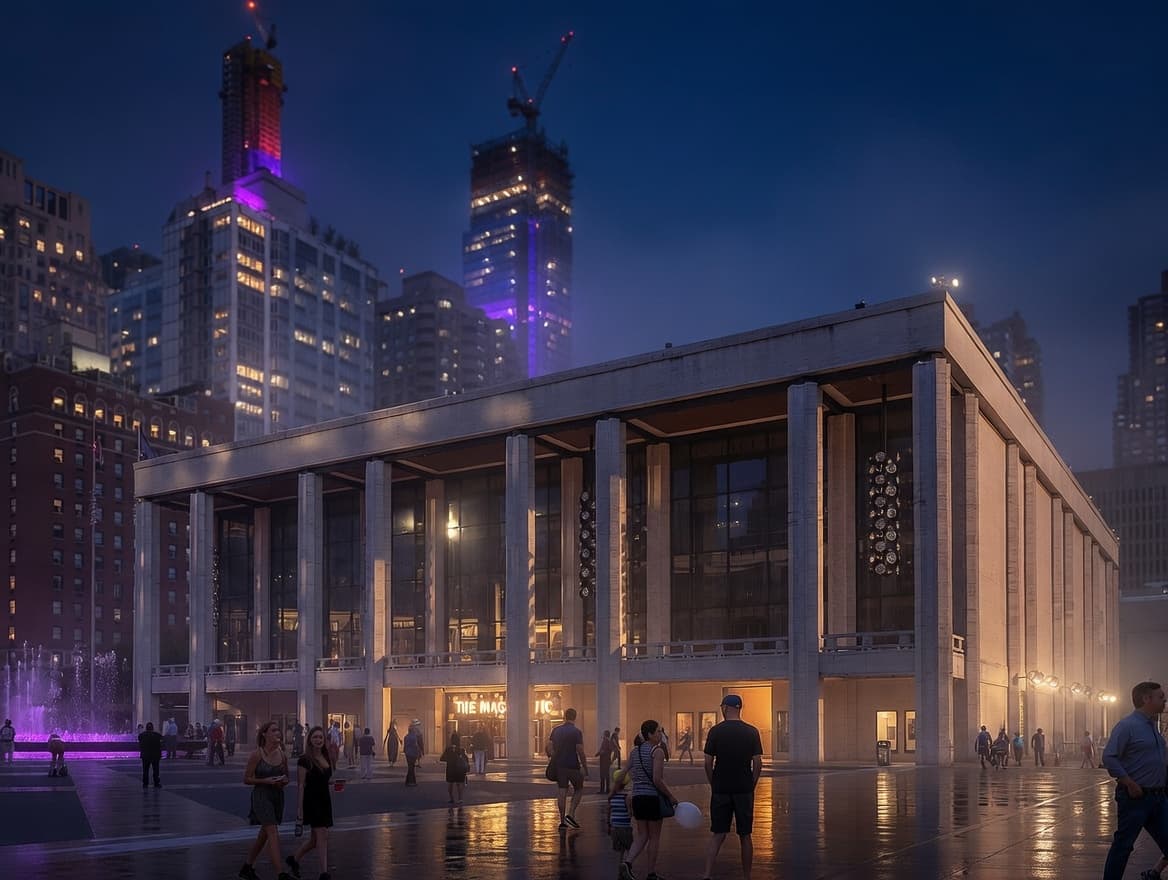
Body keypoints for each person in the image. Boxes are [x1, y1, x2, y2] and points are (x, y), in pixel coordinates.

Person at [1100, 681, 1168, 880]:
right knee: (1123, 845)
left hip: (1158, 798)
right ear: (1146, 699)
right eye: (1160, 697)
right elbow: (1109, 757)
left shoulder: (1152, 726)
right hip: (1136, 798)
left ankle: (1154, 873)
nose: (1164, 700)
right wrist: (1128, 782)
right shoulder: (1127, 726)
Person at [701, 694, 764, 880]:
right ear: (739, 708)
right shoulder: (752, 732)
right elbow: (757, 763)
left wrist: (713, 782)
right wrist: (752, 783)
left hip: (721, 788)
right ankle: (747, 876)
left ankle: (707, 874)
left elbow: (707, 762)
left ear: (725, 708)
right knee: (745, 835)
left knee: (718, 834)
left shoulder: (715, 731)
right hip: (744, 788)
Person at [621, 718, 677, 880]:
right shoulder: (657, 751)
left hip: (637, 797)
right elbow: (657, 779)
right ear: (650, 734)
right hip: (652, 798)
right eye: (658, 731)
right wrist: (671, 796)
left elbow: (624, 772)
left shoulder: (634, 752)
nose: (661, 734)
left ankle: (627, 862)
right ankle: (651, 873)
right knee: (654, 837)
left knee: (642, 835)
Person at [238, 721, 292, 880]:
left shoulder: (282, 755)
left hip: (277, 795)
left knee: (265, 834)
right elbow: (246, 779)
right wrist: (265, 781)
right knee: (272, 831)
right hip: (261, 796)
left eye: (278, 730)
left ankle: (247, 867)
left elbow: (287, 777)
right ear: (264, 734)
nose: (277, 733)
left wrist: (283, 781)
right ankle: (281, 874)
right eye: (273, 730)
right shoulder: (257, 754)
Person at [287, 725, 333, 880]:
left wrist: (333, 783)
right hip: (312, 801)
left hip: (325, 799)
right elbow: (301, 785)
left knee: (314, 840)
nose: (318, 740)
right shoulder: (304, 760)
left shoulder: (326, 757)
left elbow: (323, 778)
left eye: (320, 737)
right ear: (310, 740)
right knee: (322, 835)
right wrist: (299, 810)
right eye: (315, 737)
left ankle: (294, 860)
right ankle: (324, 873)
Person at [547, 707, 589, 829]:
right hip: (573, 765)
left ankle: (562, 821)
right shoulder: (576, 732)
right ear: (575, 717)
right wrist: (585, 767)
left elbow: (548, 747)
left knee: (562, 791)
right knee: (579, 788)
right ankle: (571, 814)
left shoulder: (556, 730)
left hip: (559, 766)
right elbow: (580, 751)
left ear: (564, 716)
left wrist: (552, 757)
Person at [608, 768, 634, 871]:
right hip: (625, 827)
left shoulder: (611, 796)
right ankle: (627, 865)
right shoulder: (627, 796)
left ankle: (621, 863)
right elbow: (629, 812)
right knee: (629, 847)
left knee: (620, 848)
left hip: (615, 827)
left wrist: (609, 824)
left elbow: (609, 811)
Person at [440, 732, 469, 805]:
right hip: (459, 769)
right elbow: (466, 759)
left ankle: (451, 798)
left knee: (450, 784)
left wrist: (449, 759)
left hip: (450, 768)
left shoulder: (448, 749)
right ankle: (460, 798)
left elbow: (442, 758)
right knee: (459, 784)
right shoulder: (461, 750)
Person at [139, 721, 163, 788]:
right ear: (153, 728)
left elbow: (140, 743)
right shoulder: (157, 735)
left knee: (145, 770)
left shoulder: (141, 735)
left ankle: (145, 783)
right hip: (155, 755)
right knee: (156, 770)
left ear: (146, 728)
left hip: (145, 755)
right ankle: (156, 783)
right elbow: (161, 743)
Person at [403, 721, 423, 786]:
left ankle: (408, 781)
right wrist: (418, 752)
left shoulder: (406, 737)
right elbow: (415, 745)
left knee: (410, 767)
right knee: (411, 767)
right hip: (413, 753)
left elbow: (405, 746)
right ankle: (412, 782)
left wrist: (405, 751)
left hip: (407, 753)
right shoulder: (414, 737)